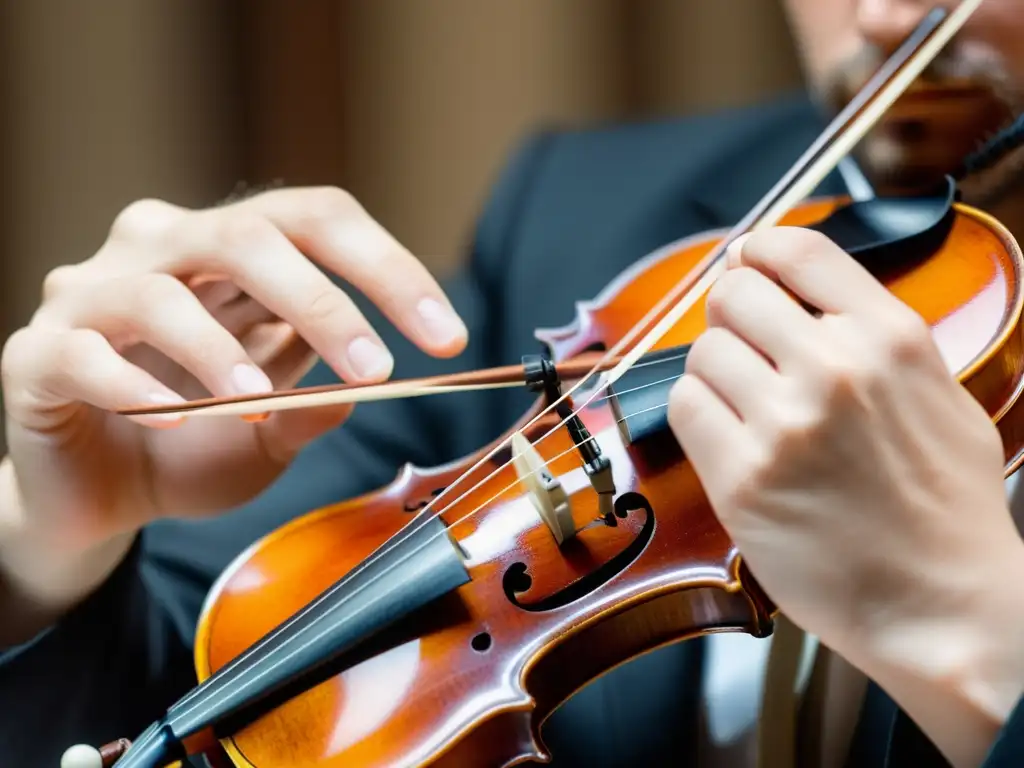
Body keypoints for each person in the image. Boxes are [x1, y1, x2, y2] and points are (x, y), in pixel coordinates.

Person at [3, 0, 1024, 765]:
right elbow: (210, 698)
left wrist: (980, 637)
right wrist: (61, 545)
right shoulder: (586, 216)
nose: (889, 14)